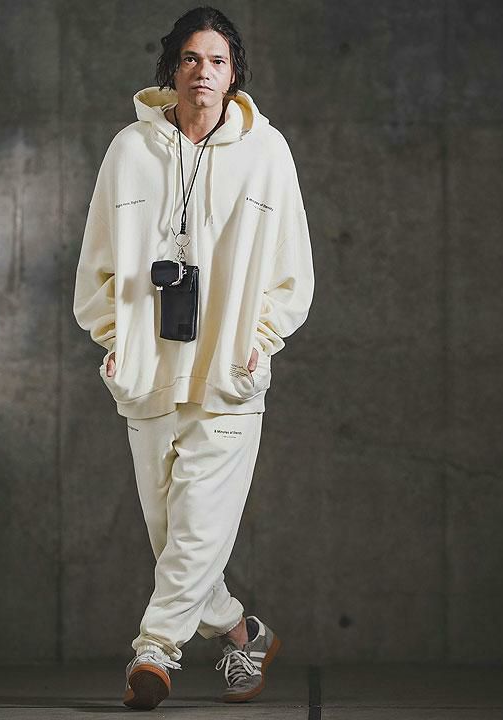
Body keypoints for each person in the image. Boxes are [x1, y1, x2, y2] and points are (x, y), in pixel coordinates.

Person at [72, 5, 315, 711]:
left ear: (233, 73)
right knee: (176, 539)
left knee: (198, 530)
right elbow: (96, 265)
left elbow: (293, 273)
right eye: (189, 58)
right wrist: (114, 340)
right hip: (147, 371)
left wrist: (256, 345)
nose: (202, 72)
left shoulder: (267, 153)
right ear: (171, 68)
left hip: (228, 374)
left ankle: (155, 653)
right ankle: (242, 632)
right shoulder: (129, 151)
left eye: (216, 61)